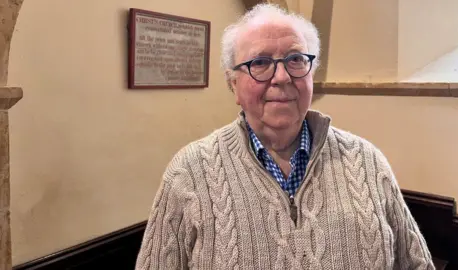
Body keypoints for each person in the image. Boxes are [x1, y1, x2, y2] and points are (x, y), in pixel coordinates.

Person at [135, 3, 434, 269]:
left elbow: (416, 263)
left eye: (295, 60)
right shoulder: (189, 173)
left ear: (311, 74)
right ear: (233, 85)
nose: (281, 77)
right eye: (260, 63)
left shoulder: (367, 162)